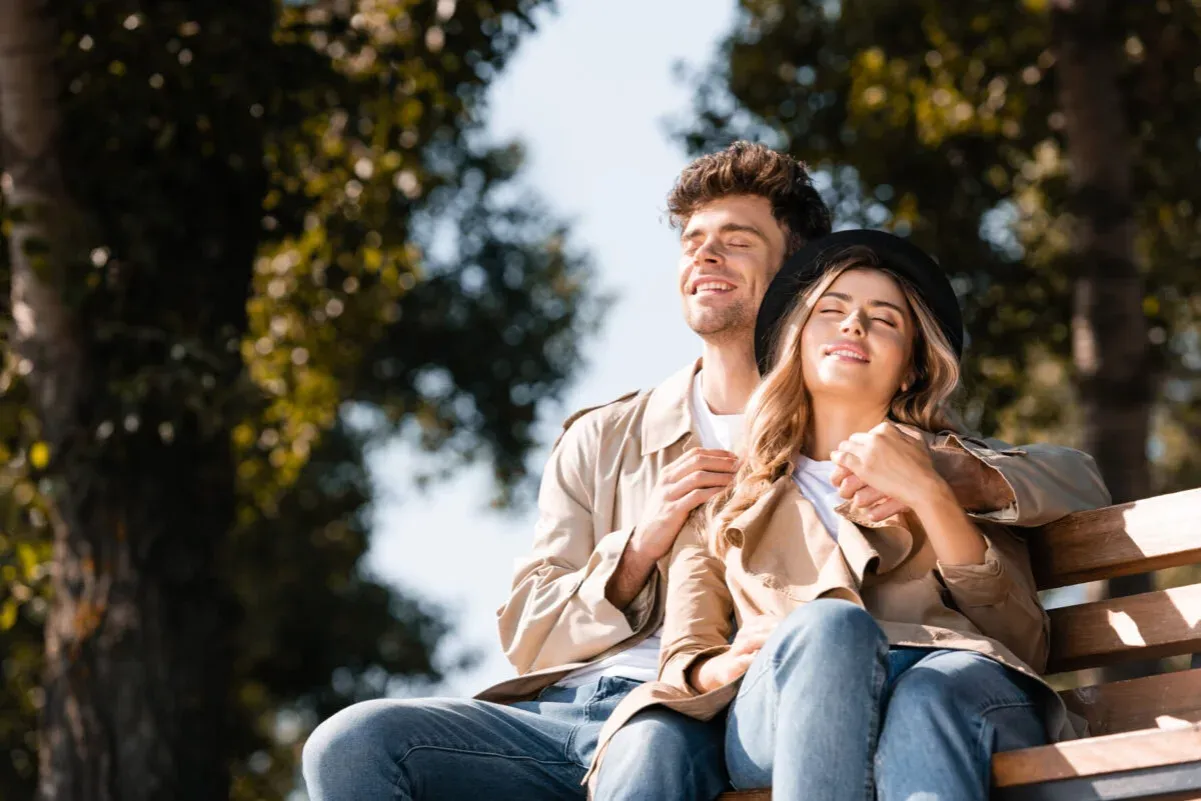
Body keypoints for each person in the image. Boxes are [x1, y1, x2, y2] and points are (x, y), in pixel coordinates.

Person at [301, 145, 1110, 801]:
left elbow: (1058, 508)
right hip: (621, 699)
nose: (705, 256)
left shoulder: (899, 438)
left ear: (797, 270)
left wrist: (946, 483)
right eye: (692, 241)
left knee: (664, 738)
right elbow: (527, 635)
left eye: (736, 240)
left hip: (723, 717)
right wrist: (639, 545)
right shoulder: (610, 439)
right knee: (353, 744)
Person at [587, 230, 1087, 801]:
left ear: (910, 371)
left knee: (927, 697)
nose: (854, 325)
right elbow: (684, 657)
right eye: (832, 310)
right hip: (782, 704)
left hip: (948, 681)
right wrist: (723, 668)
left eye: (885, 320)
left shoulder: (955, 470)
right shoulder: (728, 496)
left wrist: (932, 494)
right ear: (795, 344)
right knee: (829, 626)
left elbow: (1020, 642)